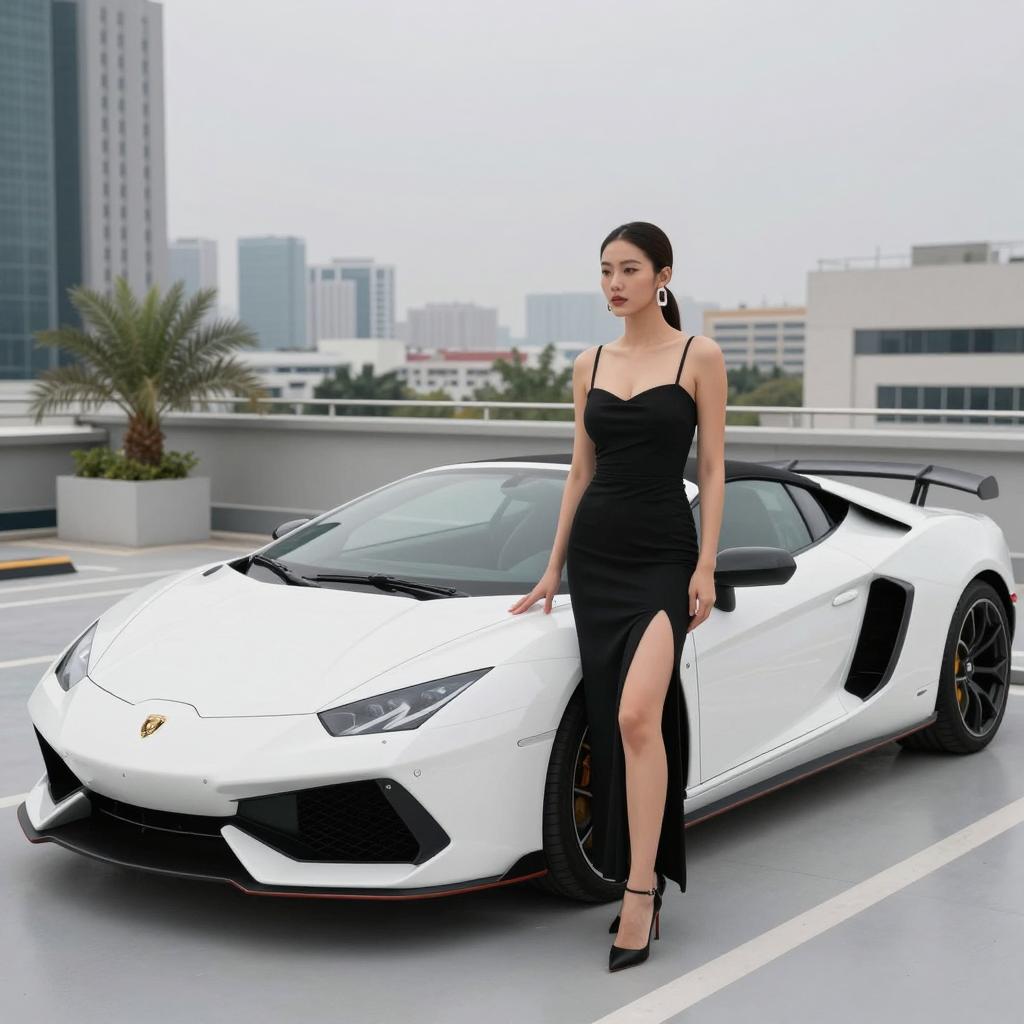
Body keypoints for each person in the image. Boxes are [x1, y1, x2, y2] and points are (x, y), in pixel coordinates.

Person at [508, 221, 726, 972]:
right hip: (598, 558)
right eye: (605, 270)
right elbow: (578, 471)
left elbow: (719, 467)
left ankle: (641, 890)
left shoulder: (699, 356)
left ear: (662, 275)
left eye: (629, 269)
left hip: (665, 554)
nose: (614, 283)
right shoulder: (588, 363)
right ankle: (635, 877)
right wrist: (550, 569)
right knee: (615, 723)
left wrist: (706, 565)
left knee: (639, 715)